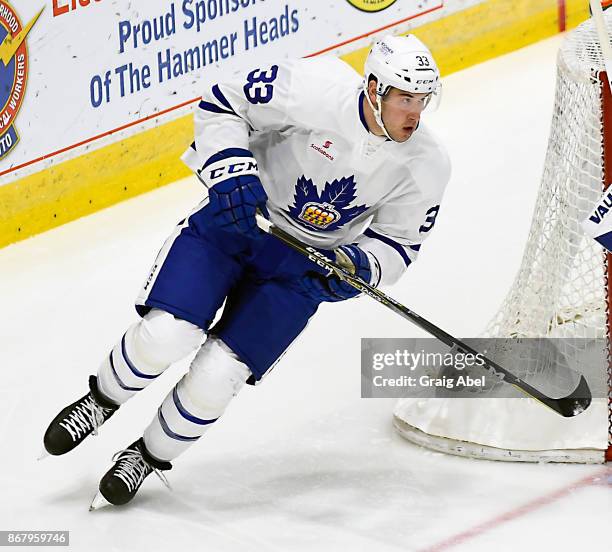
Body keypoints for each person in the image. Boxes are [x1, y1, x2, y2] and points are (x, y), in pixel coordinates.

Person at [42, 34, 451, 509]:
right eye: (405, 99)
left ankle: (146, 457)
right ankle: (101, 401)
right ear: (375, 88)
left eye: (422, 100)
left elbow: (399, 244)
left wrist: (358, 265)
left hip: (301, 270)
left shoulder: (427, 164)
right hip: (237, 226)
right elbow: (224, 102)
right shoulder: (313, 87)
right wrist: (231, 171)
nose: (415, 114)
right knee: (166, 335)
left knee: (218, 377)